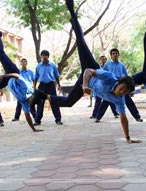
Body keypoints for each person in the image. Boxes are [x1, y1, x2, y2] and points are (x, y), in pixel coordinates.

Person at [31, 0, 140, 143]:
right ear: (119, 83)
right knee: (81, 41)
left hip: (87, 84)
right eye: (123, 88)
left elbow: (123, 118)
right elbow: (88, 71)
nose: (122, 92)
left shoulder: (119, 100)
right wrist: (84, 86)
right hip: (90, 69)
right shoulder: (109, 77)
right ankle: (72, 12)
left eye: (125, 92)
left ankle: (42, 96)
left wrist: (128, 138)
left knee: (69, 102)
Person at [95, 48, 143, 123]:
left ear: (118, 55)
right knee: (105, 101)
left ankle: (137, 117)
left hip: (120, 84)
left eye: (116, 53)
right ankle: (98, 117)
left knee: (128, 101)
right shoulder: (108, 64)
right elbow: (103, 73)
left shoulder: (122, 65)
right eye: (113, 54)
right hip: (111, 85)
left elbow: (126, 76)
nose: (115, 55)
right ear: (111, 56)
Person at [33, 50, 63, 126]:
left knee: (54, 102)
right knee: (40, 103)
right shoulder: (38, 66)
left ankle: (58, 119)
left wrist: (59, 85)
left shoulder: (52, 65)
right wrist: (34, 87)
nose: (44, 57)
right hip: (41, 86)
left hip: (51, 85)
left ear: (48, 56)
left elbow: (56, 76)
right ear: (41, 56)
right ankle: (37, 120)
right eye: (43, 55)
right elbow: (36, 77)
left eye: (46, 55)